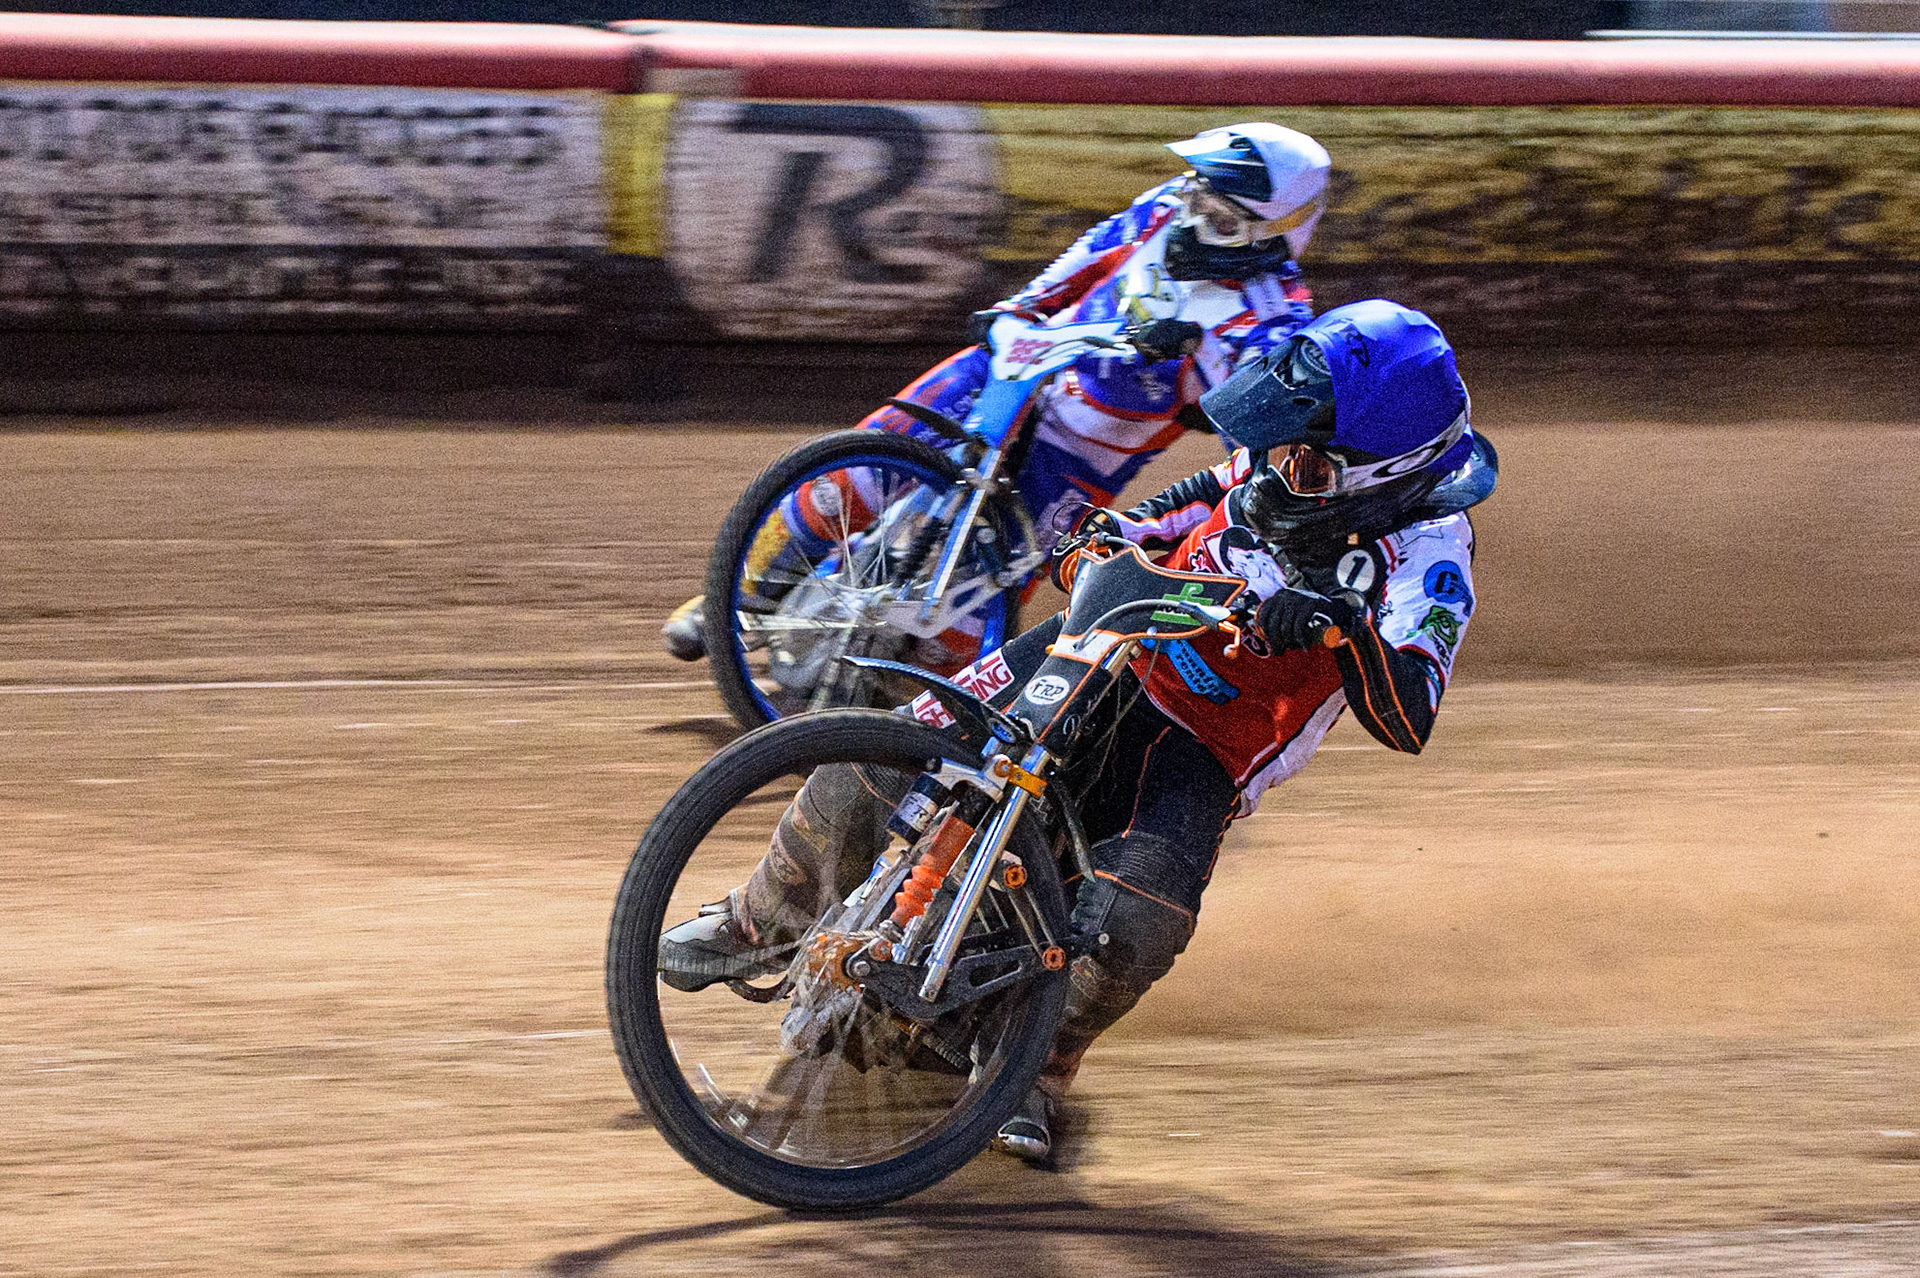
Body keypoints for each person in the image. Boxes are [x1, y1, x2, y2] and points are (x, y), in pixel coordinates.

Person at [657, 298, 1498, 1165]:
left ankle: (1039, 1070)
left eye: (1305, 463)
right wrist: (1109, 537)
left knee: (1137, 923)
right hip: (1110, 647)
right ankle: (755, 920)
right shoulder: (1279, 459)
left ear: (1380, 472)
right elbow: (1198, 497)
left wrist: (1342, 629)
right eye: (1277, 445)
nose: (1276, 467)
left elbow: (1411, 710)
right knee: (886, 749)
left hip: (1200, 745)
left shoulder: (1431, 555)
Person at [661, 122, 1333, 664]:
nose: (1191, 216)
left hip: (1082, 454)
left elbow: (1258, 445)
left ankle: (888, 715)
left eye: (1217, 214)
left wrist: (1204, 374)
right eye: (1196, 192)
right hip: (1019, 364)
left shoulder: (1267, 325)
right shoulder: (1167, 206)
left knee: (961, 633)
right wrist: (1022, 306)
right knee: (854, 474)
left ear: (1268, 232)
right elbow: (1093, 251)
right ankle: (737, 597)